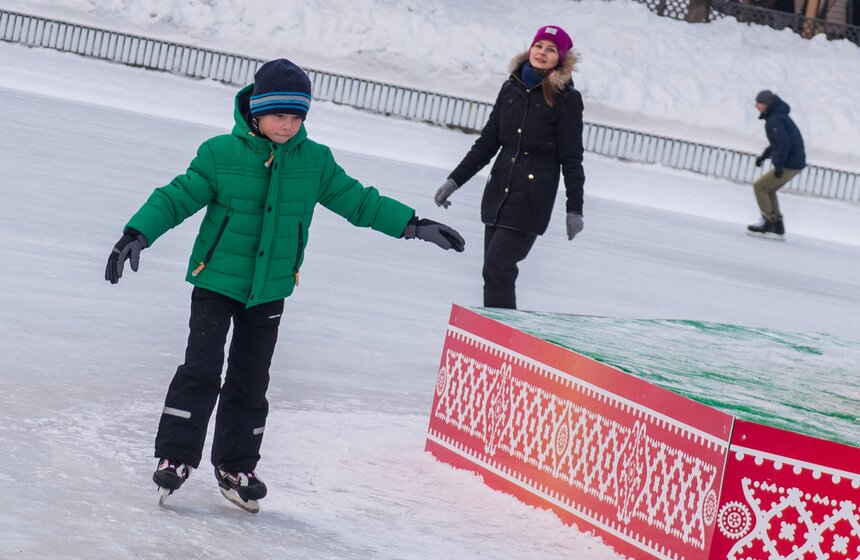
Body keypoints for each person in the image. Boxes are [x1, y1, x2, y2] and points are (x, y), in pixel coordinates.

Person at [104, 58, 465, 513]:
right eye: (279, 115)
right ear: (256, 110)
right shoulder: (219, 154)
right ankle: (175, 457)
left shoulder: (315, 162)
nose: (288, 125)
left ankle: (236, 466)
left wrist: (412, 224)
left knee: (251, 379)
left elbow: (359, 201)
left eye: (296, 116)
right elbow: (176, 197)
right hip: (215, 281)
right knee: (201, 369)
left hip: (270, 288)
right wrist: (137, 233)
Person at [433, 24, 585, 309]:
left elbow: (572, 159)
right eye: (538, 45)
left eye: (551, 49)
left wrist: (574, 209)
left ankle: (499, 331)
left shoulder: (567, 100)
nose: (542, 52)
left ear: (561, 58)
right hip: (498, 194)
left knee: (497, 266)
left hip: (531, 200)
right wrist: (454, 181)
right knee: (493, 270)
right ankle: (496, 328)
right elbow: (487, 144)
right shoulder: (511, 88)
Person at [747, 89, 806, 239]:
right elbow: (776, 143)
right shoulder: (777, 116)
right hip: (794, 162)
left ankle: (768, 222)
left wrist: (778, 166)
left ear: (767, 104)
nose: (756, 106)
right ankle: (777, 225)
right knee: (768, 189)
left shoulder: (775, 119)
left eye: (759, 103)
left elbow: (783, 143)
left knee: (759, 186)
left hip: (791, 163)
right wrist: (764, 157)